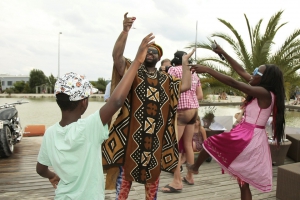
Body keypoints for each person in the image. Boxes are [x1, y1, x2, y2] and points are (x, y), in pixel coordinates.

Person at [35, 33, 157, 200]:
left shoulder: (49, 133)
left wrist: (51, 175)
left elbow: (40, 169)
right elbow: (116, 101)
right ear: (84, 102)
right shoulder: (89, 127)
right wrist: (137, 61)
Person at [102, 13, 193, 200]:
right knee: (123, 183)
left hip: (156, 142)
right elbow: (116, 56)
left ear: (160, 58)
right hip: (130, 138)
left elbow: (185, 85)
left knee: (152, 185)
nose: (150, 53)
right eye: (147, 50)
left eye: (154, 51)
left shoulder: (167, 79)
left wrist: (185, 64)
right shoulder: (133, 72)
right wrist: (125, 31)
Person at [187, 43, 285, 200]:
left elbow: (234, 82)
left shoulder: (263, 92)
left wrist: (208, 70)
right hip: (252, 135)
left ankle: (195, 168)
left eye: (256, 72)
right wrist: (223, 52)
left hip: (249, 136)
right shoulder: (260, 86)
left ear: (264, 78)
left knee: (211, 142)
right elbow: (240, 71)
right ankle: (195, 167)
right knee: (243, 182)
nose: (252, 74)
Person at [161, 50, 203, 192]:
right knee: (187, 145)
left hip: (181, 110)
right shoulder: (194, 73)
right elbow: (200, 95)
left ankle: (176, 181)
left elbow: (168, 89)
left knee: (174, 145)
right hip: (194, 110)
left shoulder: (173, 69)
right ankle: (190, 176)